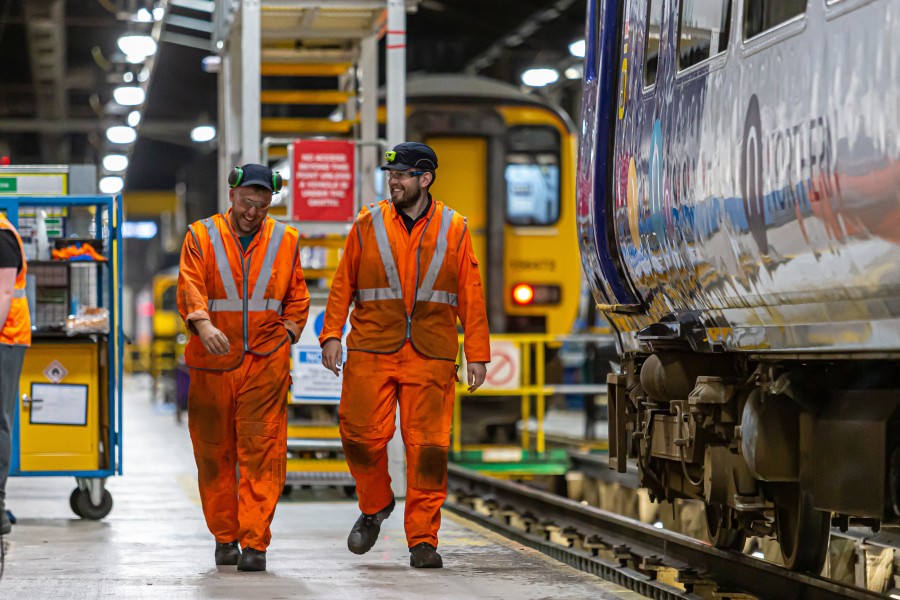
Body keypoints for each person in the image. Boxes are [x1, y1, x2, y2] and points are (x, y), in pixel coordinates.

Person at [320, 142, 491, 569]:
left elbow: (470, 291)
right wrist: (330, 334)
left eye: (402, 175)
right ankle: (375, 505)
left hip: (431, 353)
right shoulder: (368, 223)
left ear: (425, 179)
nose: (393, 181)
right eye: (391, 174)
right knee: (359, 437)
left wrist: (478, 352)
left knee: (428, 448)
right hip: (371, 347)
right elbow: (344, 283)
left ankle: (423, 540)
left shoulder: (455, 227)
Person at [177, 163, 310, 572]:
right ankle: (224, 537)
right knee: (215, 454)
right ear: (231, 194)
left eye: (262, 204)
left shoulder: (286, 239)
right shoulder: (201, 235)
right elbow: (190, 283)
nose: (253, 211)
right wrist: (202, 324)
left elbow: (297, 295)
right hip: (213, 363)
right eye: (247, 202)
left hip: (266, 364)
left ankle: (255, 543)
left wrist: (288, 331)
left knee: (262, 453)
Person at [0, 212, 31, 536]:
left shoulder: (2, 236)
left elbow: (5, 294)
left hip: (5, 339)